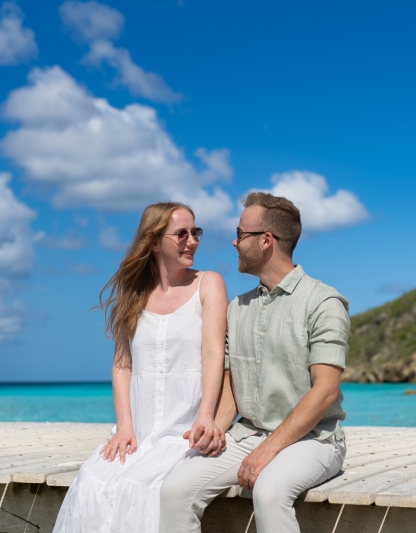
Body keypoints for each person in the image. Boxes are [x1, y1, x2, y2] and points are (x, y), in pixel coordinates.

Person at [160, 192, 349, 533]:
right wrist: (216, 428)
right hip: (247, 435)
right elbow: (234, 384)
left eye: (241, 234)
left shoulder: (324, 302)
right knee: (175, 490)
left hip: (314, 441)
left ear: (265, 241)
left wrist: (268, 451)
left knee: (269, 492)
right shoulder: (238, 306)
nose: (233, 242)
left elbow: (324, 392)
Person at [54, 202, 228, 533]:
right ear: (153, 242)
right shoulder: (132, 292)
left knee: (143, 487)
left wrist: (206, 416)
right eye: (181, 234)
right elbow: (122, 365)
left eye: (196, 232)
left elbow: (213, 354)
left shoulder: (209, 283)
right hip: (139, 428)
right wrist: (124, 427)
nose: (191, 241)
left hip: (184, 428)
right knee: (92, 480)